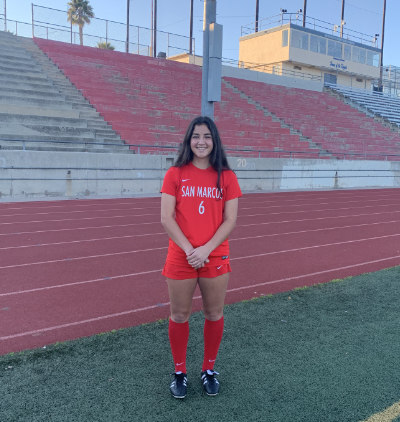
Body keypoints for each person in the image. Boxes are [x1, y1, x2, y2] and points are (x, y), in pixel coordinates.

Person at [160, 116, 242, 399]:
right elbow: (166, 217)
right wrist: (189, 250)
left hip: (215, 255)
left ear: (214, 141)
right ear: (188, 140)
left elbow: (230, 220)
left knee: (213, 313)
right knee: (179, 314)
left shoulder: (227, 177)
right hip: (181, 256)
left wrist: (206, 250)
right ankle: (180, 372)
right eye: (196, 136)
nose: (201, 142)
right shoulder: (175, 174)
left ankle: (208, 369)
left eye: (207, 136)